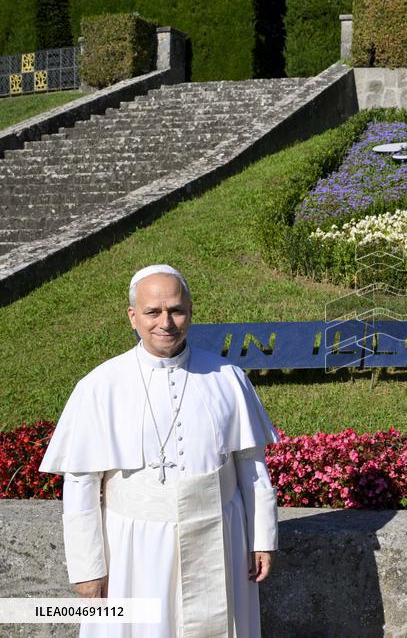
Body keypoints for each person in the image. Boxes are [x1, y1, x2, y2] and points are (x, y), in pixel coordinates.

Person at [40, 264, 280, 637]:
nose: (165, 322)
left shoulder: (227, 377)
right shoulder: (100, 386)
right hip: (134, 547)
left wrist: (262, 538)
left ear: (190, 311)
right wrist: (89, 569)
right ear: (132, 317)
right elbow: (81, 484)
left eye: (176, 310)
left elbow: (252, 465)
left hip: (220, 536)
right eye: (153, 312)